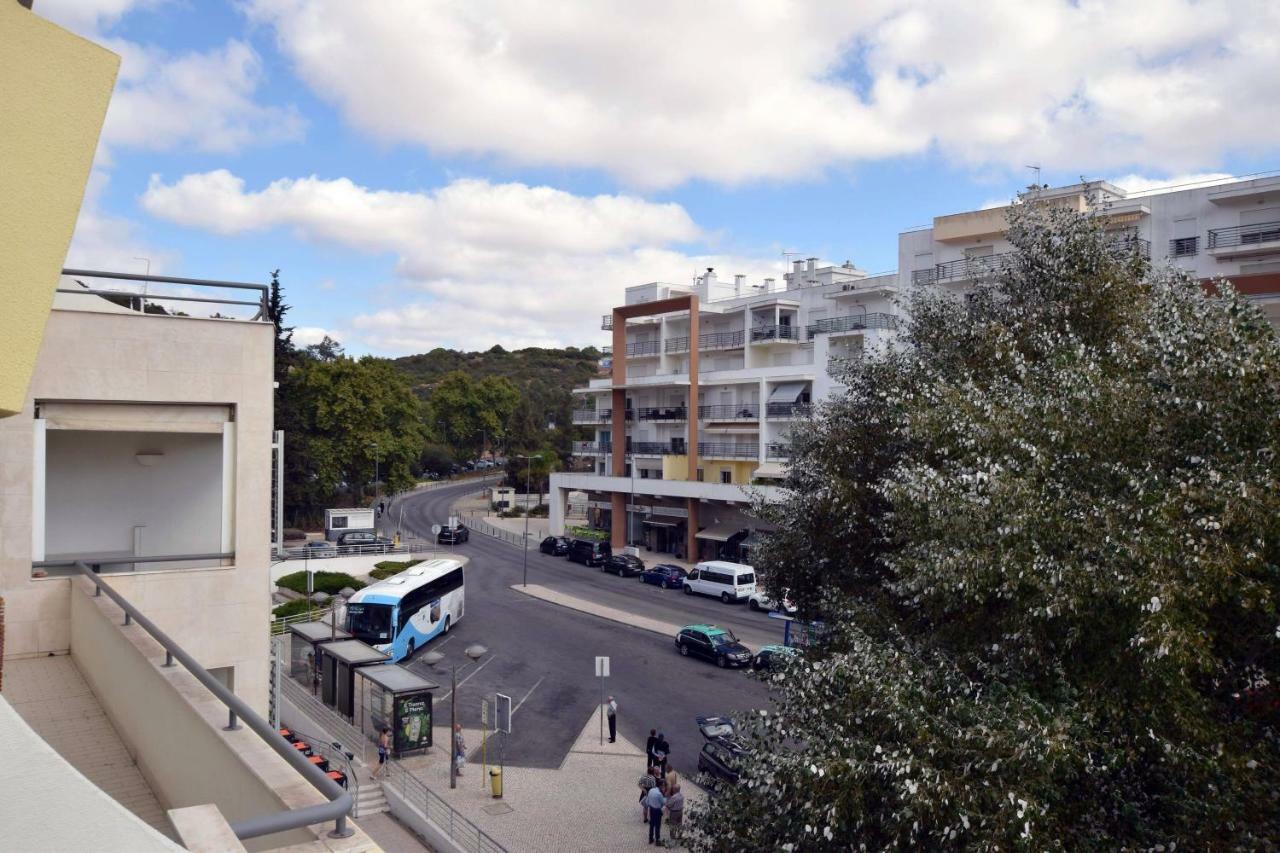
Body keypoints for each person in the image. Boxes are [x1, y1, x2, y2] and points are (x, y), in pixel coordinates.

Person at [644, 780, 667, 845]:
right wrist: (665, 797)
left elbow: (647, 801)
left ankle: (650, 838)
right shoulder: (659, 794)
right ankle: (657, 840)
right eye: (663, 786)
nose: (664, 787)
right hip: (657, 810)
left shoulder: (651, 790)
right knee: (657, 825)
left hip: (651, 809)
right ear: (660, 786)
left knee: (652, 824)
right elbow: (663, 802)